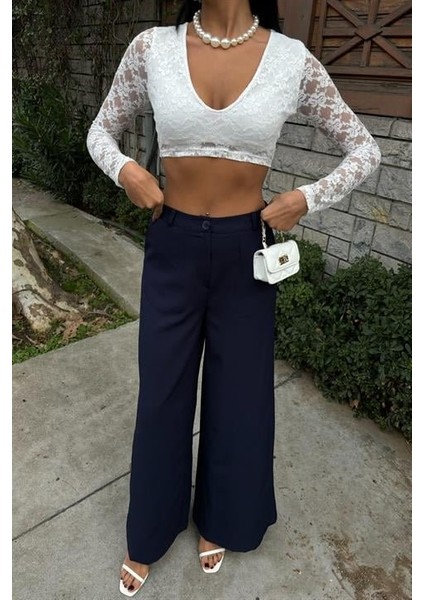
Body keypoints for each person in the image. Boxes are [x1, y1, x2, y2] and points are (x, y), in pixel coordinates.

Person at [86, 0, 381, 595]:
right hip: (173, 246)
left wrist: (305, 198)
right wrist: (126, 170)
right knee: (162, 391)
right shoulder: (153, 48)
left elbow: (365, 149)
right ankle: (150, 529)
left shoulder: (291, 59)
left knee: (239, 395)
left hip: (246, 250)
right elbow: (100, 131)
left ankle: (223, 518)